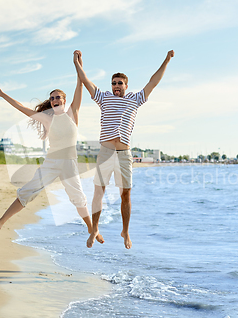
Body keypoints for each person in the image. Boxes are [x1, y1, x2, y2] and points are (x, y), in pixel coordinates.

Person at [0, 53, 103, 248]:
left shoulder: (73, 112)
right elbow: (21, 107)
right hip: (51, 162)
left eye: (58, 97)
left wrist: (77, 63)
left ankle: (92, 230)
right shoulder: (47, 118)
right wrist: (3, 94)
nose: (55, 100)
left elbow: (80, 83)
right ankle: (1, 222)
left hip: (69, 164)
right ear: (50, 102)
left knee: (78, 198)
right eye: (52, 98)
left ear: (64, 101)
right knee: (27, 192)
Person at [73, 49, 174, 249]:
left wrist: (167, 60)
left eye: (120, 83)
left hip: (124, 154)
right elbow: (85, 80)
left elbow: (153, 82)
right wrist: (78, 62)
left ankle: (125, 231)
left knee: (125, 194)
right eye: (114, 83)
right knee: (99, 192)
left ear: (126, 86)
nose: (116, 86)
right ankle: (94, 229)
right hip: (106, 151)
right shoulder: (103, 98)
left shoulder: (135, 99)